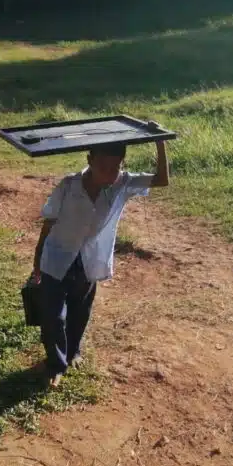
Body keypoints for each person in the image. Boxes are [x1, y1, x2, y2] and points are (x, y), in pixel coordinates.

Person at [33, 139, 170, 387]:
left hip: (89, 260)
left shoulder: (123, 184)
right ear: (89, 161)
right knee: (53, 315)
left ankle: (73, 351)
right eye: (103, 166)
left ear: (122, 165)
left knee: (80, 310)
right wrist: (37, 259)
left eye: (115, 167)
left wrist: (159, 142)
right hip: (56, 256)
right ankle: (56, 364)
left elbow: (161, 180)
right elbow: (49, 222)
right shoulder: (69, 185)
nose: (109, 173)